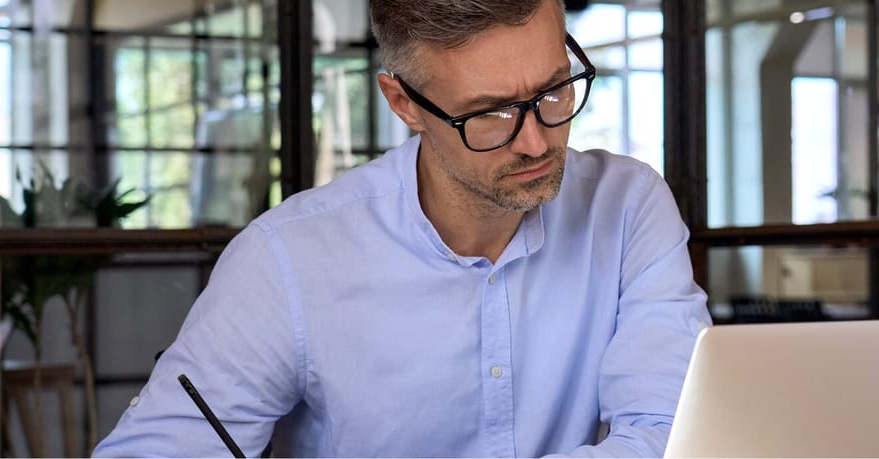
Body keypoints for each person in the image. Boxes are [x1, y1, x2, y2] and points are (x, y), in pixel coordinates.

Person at [92, 0, 711, 456]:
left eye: (554, 90)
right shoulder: (287, 261)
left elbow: (676, 434)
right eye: (490, 113)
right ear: (404, 103)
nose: (535, 141)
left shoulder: (627, 206)